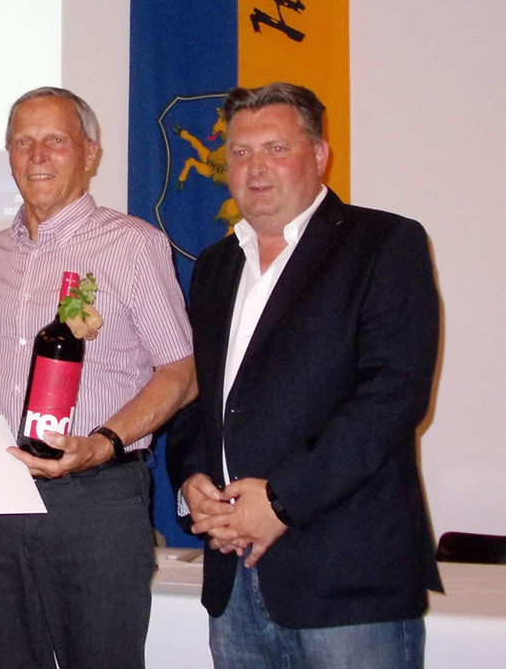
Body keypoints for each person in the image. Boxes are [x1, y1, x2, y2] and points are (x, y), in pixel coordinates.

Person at [174, 82, 442, 668]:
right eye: (240, 153)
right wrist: (193, 483)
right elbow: (201, 399)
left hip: (347, 579)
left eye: (276, 148)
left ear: (319, 155)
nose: (256, 168)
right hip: (233, 578)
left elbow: (392, 398)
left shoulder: (384, 243)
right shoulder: (216, 265)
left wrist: (279, 501)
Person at [0, 87, 197, 669]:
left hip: (96, 502)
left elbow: (182, 372)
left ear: (90, 153)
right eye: (23, 141)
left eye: (55, 140)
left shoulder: (134, 245)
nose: (37, 155)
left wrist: (102, 443)